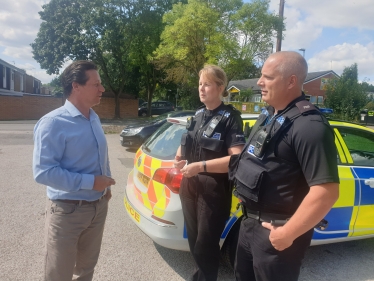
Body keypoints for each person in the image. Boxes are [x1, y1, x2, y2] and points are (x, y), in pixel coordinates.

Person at [231, 51, 340, 281]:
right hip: (249, 223)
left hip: (277, 233)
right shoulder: (270, 115)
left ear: (291, 81)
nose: (260, 82)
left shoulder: (309, 126)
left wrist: (288, 234)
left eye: (268, 77)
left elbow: (326, 191)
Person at [33, 60, 115, 281]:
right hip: (67, 213)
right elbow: (43, 172)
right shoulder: (53, 123)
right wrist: (91, 182)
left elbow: (101, 153)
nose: (102, 89)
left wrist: (104, 185)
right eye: (96, 84)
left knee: (86, 270)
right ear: (76, 86)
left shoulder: (93, 117)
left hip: (97, 208)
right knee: (59, 274)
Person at [174, 65, 246, 281]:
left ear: (220, 87)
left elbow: (236, 159)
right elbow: (186, 142)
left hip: (213, 193)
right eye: (200, 84)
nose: (201, 88)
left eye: (207, 84)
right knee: (195, 243)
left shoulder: (231, 118)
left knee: (206, 245)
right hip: (189, 188)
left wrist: (200, 166)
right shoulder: (197, 115)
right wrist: (178, 158)